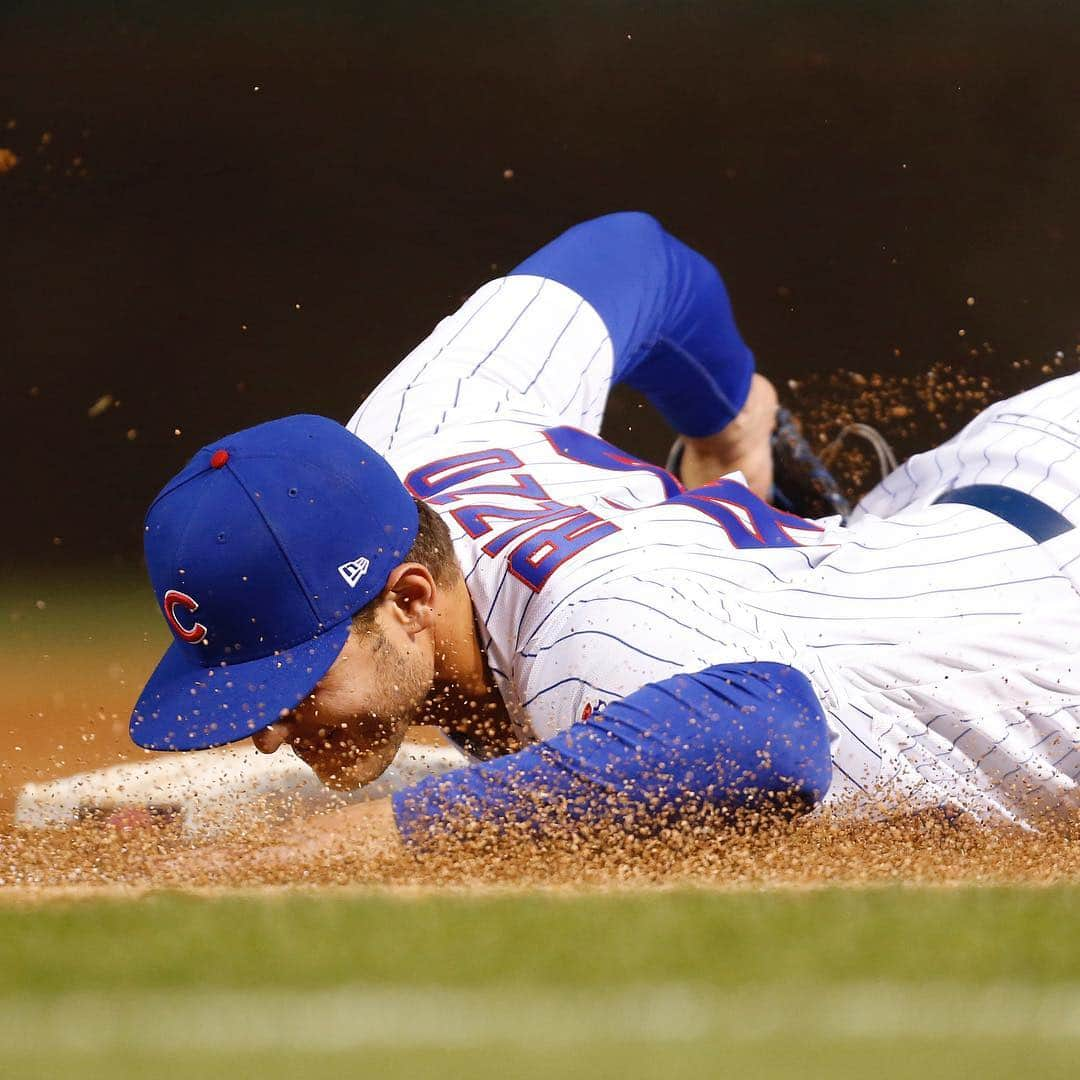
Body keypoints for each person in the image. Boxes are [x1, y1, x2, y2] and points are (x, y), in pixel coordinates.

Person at [130, 212, 1080, 859]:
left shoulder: (591, 636)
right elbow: (632, 255)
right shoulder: (409, 441)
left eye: (294, 677)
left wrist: (392, 831)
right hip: (991, 495)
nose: (266, 731)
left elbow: (771, 735)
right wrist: (725, 422)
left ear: (411, 598)